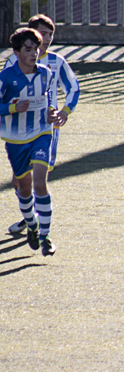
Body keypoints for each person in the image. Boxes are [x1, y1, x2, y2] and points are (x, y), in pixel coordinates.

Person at [4, 14, 80, 235]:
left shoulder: (57, 62)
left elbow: (73, 88)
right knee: (19, 181)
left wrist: (64, 112)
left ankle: (37, 224)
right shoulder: (13, 62)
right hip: (18, 131)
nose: (47, 39)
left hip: (45, 130)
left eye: (50, 34)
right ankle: (29, 217)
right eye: (42, 34)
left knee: (39, 179)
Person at [0, 28, 58, 255]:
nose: (34, 53)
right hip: (15, 139)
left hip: (41, 133)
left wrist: (52, 112)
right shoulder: (6, 78)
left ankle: (46, 237)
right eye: (28, 49)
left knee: (40, 183)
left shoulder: (45, 73)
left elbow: (48, 100)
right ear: (16, 53)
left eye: (37, 48)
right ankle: (32, 225)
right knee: (24, 189)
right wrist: (12, 108)